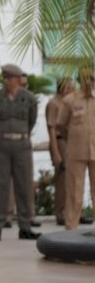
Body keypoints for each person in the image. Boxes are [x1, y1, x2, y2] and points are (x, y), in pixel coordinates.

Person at [0, 64, 41, 241]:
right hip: (1, 144)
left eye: (8, 78)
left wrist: (22, 135)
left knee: (24, 185)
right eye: (4, 78)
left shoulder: (29, 98)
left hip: (22, 144)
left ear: (18, 79)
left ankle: (25, 226)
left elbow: (32, 120)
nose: (5, 81)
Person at [57, 69, 95, 230]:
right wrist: (73, 140)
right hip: (76, 152)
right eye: (85, 79)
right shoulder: (69, 100)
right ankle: (71, 227)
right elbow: (61, 126)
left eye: (91, 79)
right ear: (79, 80)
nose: (89, 82)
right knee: (74, 192)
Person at [46, 77, 75, 225]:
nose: (72, 90)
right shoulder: (54, 104)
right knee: (62, 179)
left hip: (71, 142)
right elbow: (51, 129)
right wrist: (55, 152)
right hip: (60, 141)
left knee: (73, 179)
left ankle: (73, 212)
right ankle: (61, 213)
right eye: (69, 87)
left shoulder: (69, 103)